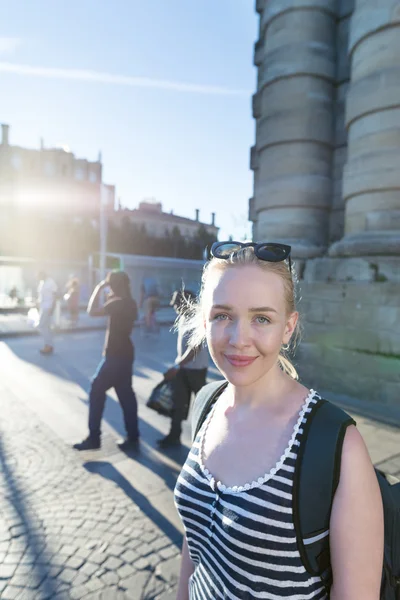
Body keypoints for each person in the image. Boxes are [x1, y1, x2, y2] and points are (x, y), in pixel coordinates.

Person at [174, 241, 384, 600]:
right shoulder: (207, 403)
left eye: (261, 318)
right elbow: (195, 544)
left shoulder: (336, 444)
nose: (239, 340)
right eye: (222, 315)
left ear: (288, 327)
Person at [73, 271, 140, 451]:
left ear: (114, 285)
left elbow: (91, 311)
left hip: (115, 356)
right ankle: (133, 436)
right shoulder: (130, 303)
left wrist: (98, 287)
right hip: (126, 354)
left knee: (96, 389)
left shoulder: (117, 303)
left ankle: (94, 438)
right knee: (126, 395)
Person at [157, 290, 209, 449]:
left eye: (176, 305)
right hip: (183, 369)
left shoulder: (197, 319)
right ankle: (174, 436)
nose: (174, 308)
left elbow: (195, 348)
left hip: (196, 370)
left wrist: (178, 365)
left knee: (203, 406)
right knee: (178, 404)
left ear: (185, 303)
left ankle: (206, 441)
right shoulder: (183, 318)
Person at [37, 271, 58, 355]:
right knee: (46, 327)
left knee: (41, 325)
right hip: (43, 307)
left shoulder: (50, 282)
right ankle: (49, 345)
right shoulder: (42, 283)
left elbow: (54, 295)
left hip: (48, 307)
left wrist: (52, 308)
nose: (37, 277)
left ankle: (48, 345)